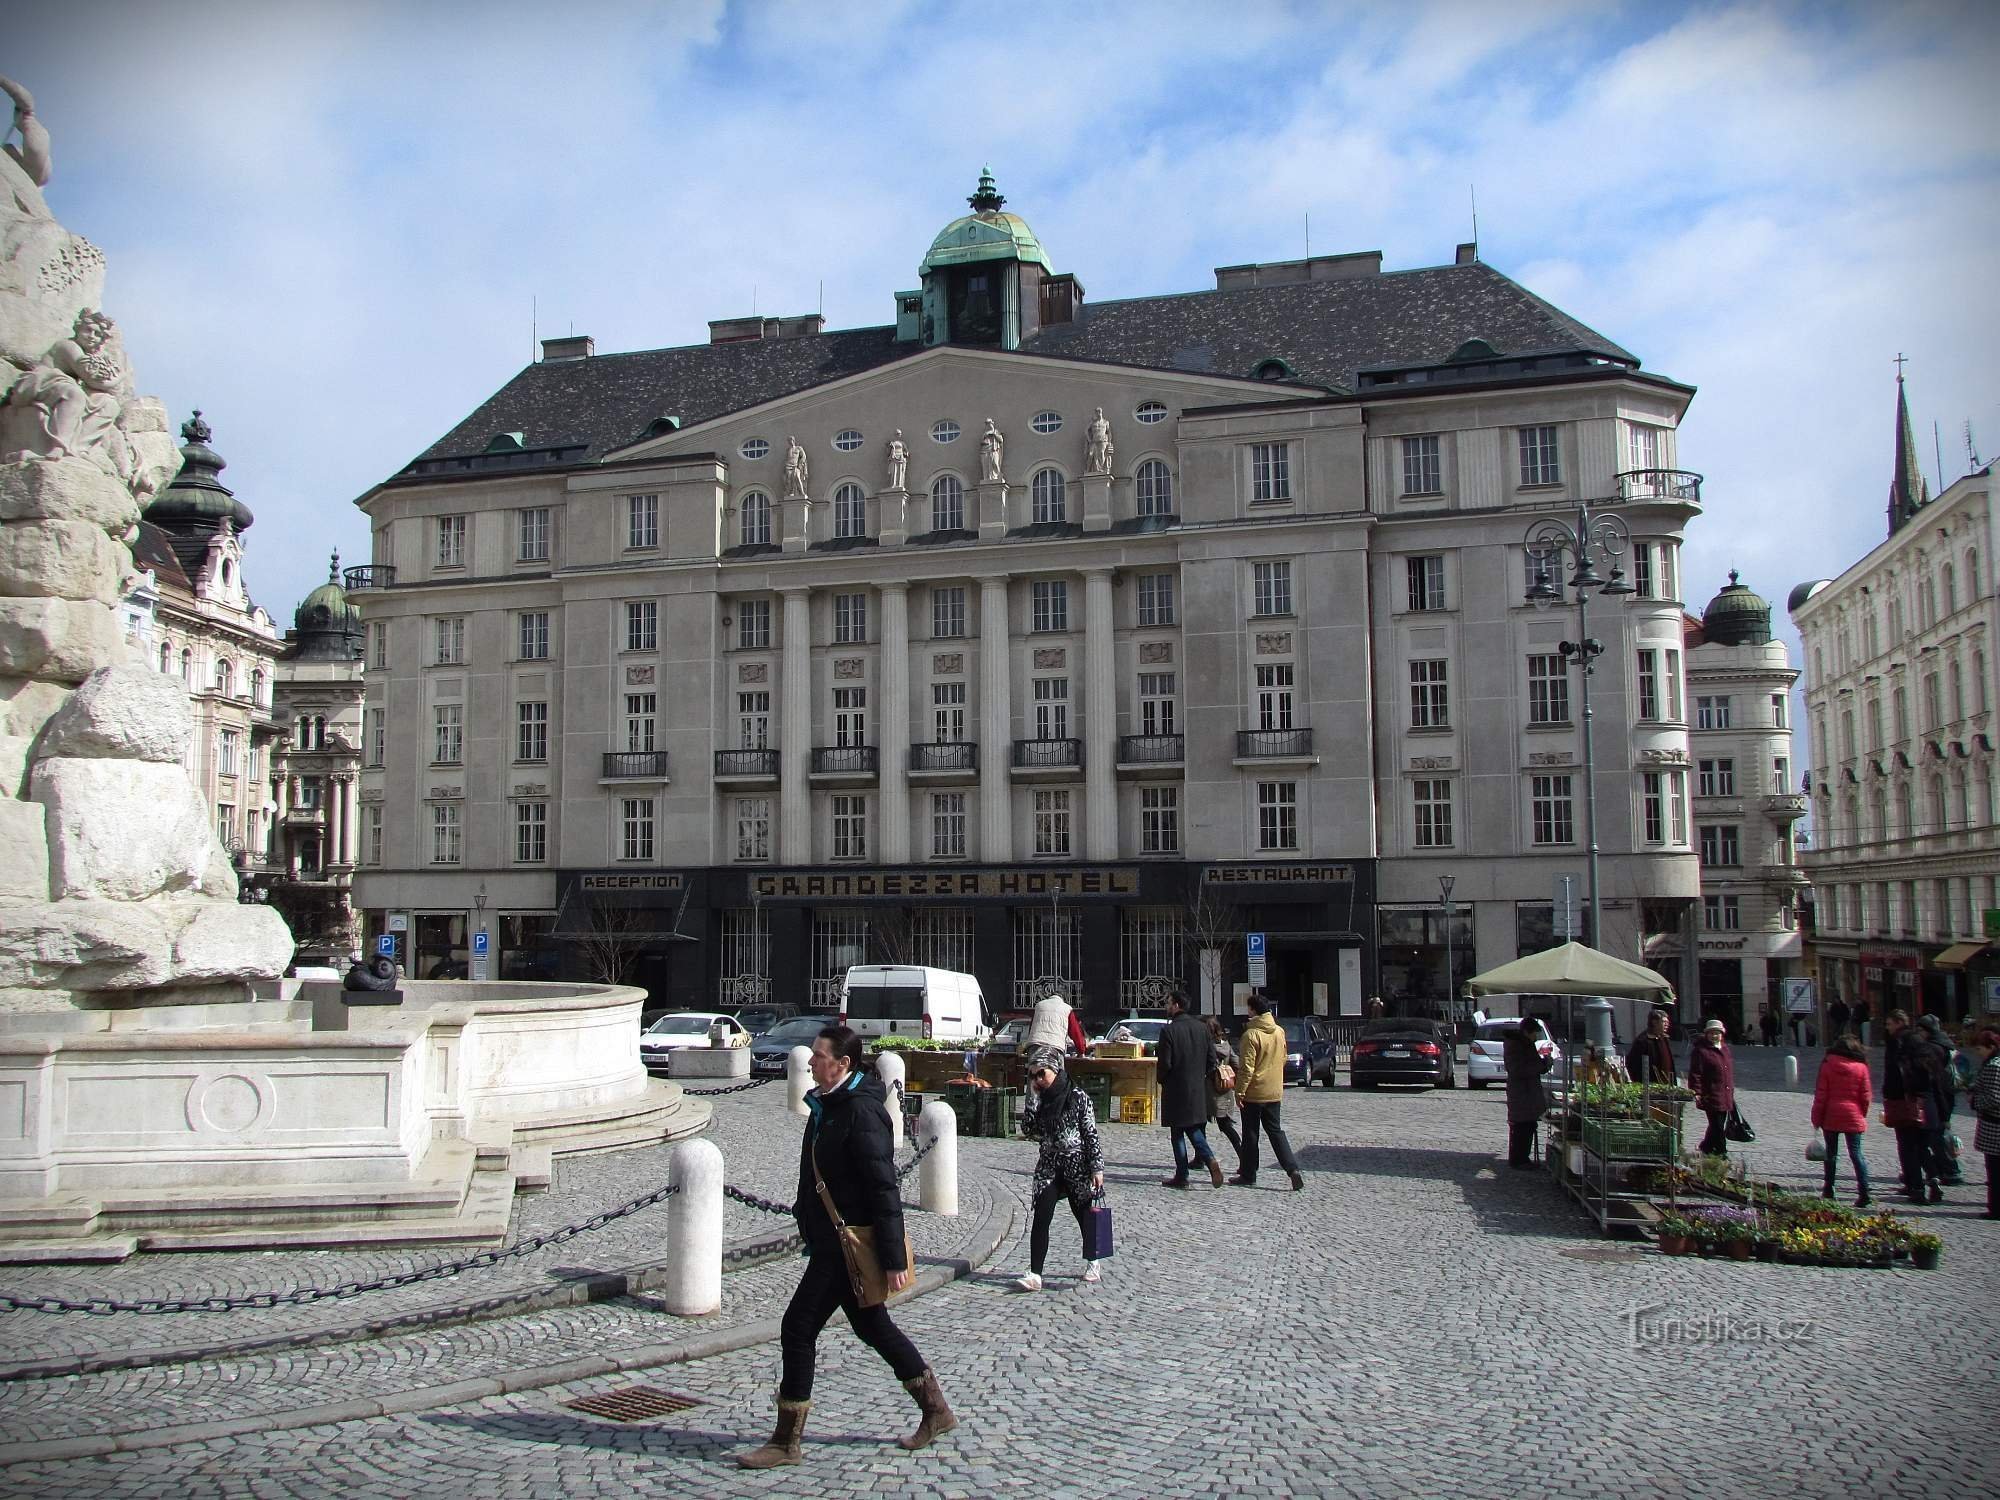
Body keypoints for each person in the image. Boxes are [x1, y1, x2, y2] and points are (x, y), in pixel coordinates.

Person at [739, 1025, 952, 1468]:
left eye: (819, 1056)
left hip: (848, 1243)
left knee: (798, 1328)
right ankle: (936, 1410)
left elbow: (883, 1187)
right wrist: (805, 1216)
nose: (811, 1062)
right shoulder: (827, 1105)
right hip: (830, 1238)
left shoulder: (860, 1112)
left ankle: (785, 1441)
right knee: (872, 1326)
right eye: (814, 1055)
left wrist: (893, 1257)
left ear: (843, 1065)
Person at [1014, 1046, 1105, 1291]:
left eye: (1041, 1074)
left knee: (1084, 1214)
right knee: (1041, 1216)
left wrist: (1097, 1168)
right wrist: (1032, 1099)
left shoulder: (1077, 1096)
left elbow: (1090, 1134)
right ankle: (1035, 1273)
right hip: (1049, 1165)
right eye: (1032, 1075)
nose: (1037, 1080)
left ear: (1055, 1070)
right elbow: (1029, 1130)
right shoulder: (1039, 1098)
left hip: (1076, 1164)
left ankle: (1093, 1261)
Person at [1232, 992, 1306, 1190]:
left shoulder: (1251, 1034)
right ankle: (1292, 1169)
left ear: (1253, 1010)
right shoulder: (1279, 1031)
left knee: (1250, 1133)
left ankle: (1249, 1173)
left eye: (1248, 1008)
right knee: (1275, 1131)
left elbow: (1246, 1067)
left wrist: (1239, 1092)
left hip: (1254, 1092)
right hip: (1274, 1091)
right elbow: (1283, 1057)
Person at [1155, 989, 1224, 1189]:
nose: (1166, 1006)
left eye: (1168, 1002)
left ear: (1176, 1005)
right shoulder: (1202, 1029)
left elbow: (1165, 1063)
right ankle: (1207, 1161)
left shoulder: (1169, 1031)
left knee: (1178, 1132)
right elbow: (1213, 1060)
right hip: (1197, 1088)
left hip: (1175, 1088)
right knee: (1193, 1128)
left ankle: (1183, 1175)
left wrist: (1162, 1080)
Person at [1810, 1032, 1872, 1208]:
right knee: (1856, 1154)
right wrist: (1862, 1113)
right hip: (1853, 1114)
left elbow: (1821, 1095)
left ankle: (1829, 1189)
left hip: (1831, 1114)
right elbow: (1866, 1096)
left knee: (1831, 1154)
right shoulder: (1861, 1067)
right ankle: (1864, 1191)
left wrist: (1816, 1118)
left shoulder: (1828, 1064)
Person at [1881, 1009, 1929, 1204]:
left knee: (1908, 1144)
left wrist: (1895, 1091)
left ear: (1900, 1022)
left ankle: (1916, 1185)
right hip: (1910, 1097)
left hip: (1903, 1098)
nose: (1887, 1027)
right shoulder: (1915, 1041)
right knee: (1913, 1143)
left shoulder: (1900, 1042)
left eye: (1890, 1023)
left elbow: (1902, 1072)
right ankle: (1914, 1182)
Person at [1908, 1014, 1958, 1201]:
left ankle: (1938, 1174)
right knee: (1933, 1142)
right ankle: (1940, 1174)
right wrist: (1944, 1115)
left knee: (1921, 1146)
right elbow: (1939, 1089)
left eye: (1921, 1029)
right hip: (1937, 1107)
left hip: (1921, 1109)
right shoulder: (1945, 1045)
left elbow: (1912, 1088)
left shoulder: (1929, 1052)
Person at [1502, 1023, 1553, 1169]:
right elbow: (1519, 1069)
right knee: (1521, 1127)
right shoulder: (1517, 1046)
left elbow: (1529, 1065)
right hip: (1522, 1093)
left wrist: (1543, 1064)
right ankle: (1519, 1160)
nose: (1536, 1037)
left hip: (1526, 1092)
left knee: (1527, 1125)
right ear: (1527, 1032)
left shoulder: (1523, 1044)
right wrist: (1542, 1065)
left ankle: (1522, 1159)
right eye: (1534, 1034)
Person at [1688, 1018, 1736, 1158]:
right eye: (1711, 1033)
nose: (1715, 1036)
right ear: (1707, 1034)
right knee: (1717, 1125)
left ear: (1722, 1034)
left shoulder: (1725, 1049)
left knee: (1716, 1124)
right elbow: (1696, 1073)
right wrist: (1696, 1091)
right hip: (1711, 1093)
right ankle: (1722, 1151)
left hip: (1725, 1093)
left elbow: (1728, 1071)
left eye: (1717, 1033)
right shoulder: (1701, 1051)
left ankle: (1706, 1146)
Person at [1204, 1015, 1246, 1171]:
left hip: (1208, 1091)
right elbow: (1237, 1064)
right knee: (1226, 1126)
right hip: (1224, 1091)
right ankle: (1243, 1156)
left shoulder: (1206, 1046)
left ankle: (1201, 1157)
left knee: (1199, 1124)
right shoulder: (1226, 1045)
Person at [1967, 1026, 2000, 1220]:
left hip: (1994, 1126)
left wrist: (1974, 1101)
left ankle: (1996, 1208)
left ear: (1990, 1047)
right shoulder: (1992, 1064)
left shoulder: (1994, 1066)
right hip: (1992, 1125)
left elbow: (1995, 1097)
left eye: (1980, 1049)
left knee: (1995, 1171)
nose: (1977, 1053)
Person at [1625, 1009, 1678, 1086]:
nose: (1667, 1024)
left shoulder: (1664, 1038)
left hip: (1667, 1084)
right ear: (1654, 1022)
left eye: (1667, 1022)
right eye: (1664, 1022)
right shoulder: (1643, 1041)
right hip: (1650, 1086)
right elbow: (1633, 1065)